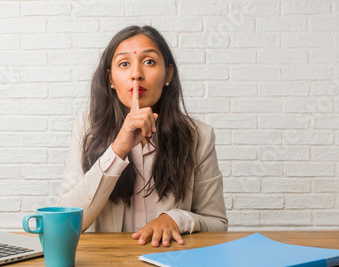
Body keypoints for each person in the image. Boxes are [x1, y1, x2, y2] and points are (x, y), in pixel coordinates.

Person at [58, 25, 227, 247]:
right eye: (124, 64)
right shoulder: (86, 128)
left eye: (149, 62)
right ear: (110, 78)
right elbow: (64, 222)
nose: (136, 74)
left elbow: (217, 223)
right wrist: (118, 149)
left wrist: (176, 219)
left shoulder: (199, 137)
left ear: (168, 74)